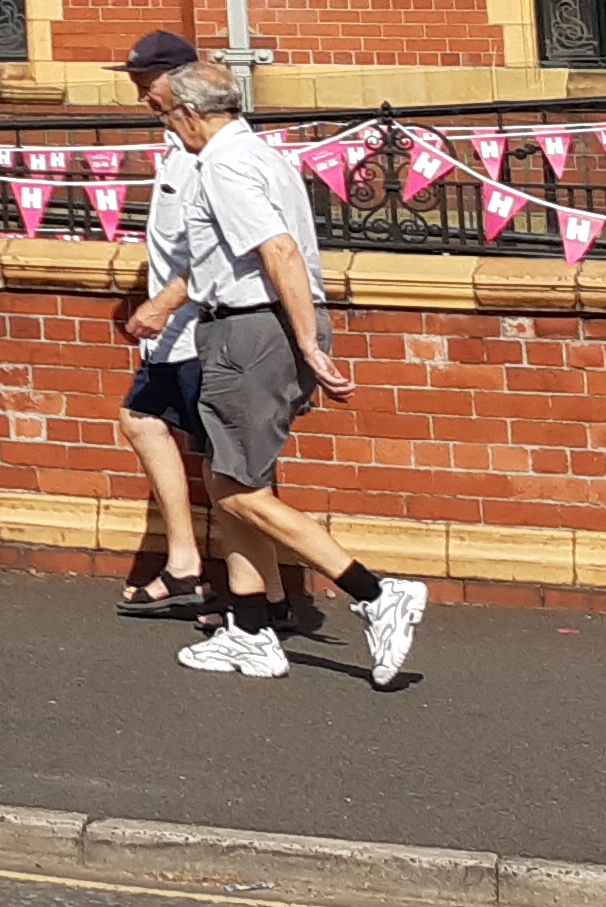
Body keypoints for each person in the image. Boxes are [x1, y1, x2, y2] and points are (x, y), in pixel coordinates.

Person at [135, 63, 428, 688]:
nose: (167, 128)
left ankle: (376, 593)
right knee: (233, 478)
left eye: (165, 115)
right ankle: (251, 631)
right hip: (251, 326)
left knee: (239, 488)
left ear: (188, 112)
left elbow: (278, 250)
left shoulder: (221, 165)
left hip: (251, 329)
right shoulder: (263, 155)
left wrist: (305, 343)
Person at [112, 30, 214, 616]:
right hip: (176, 334)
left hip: (205, 327)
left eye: (147, 84)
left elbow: (219, 247)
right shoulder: (178, 146)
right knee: (143, 419)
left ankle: (259, 595)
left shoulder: (206, 152)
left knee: (229, 464)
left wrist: (164, 302)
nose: (142, 97)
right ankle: (184, 564)